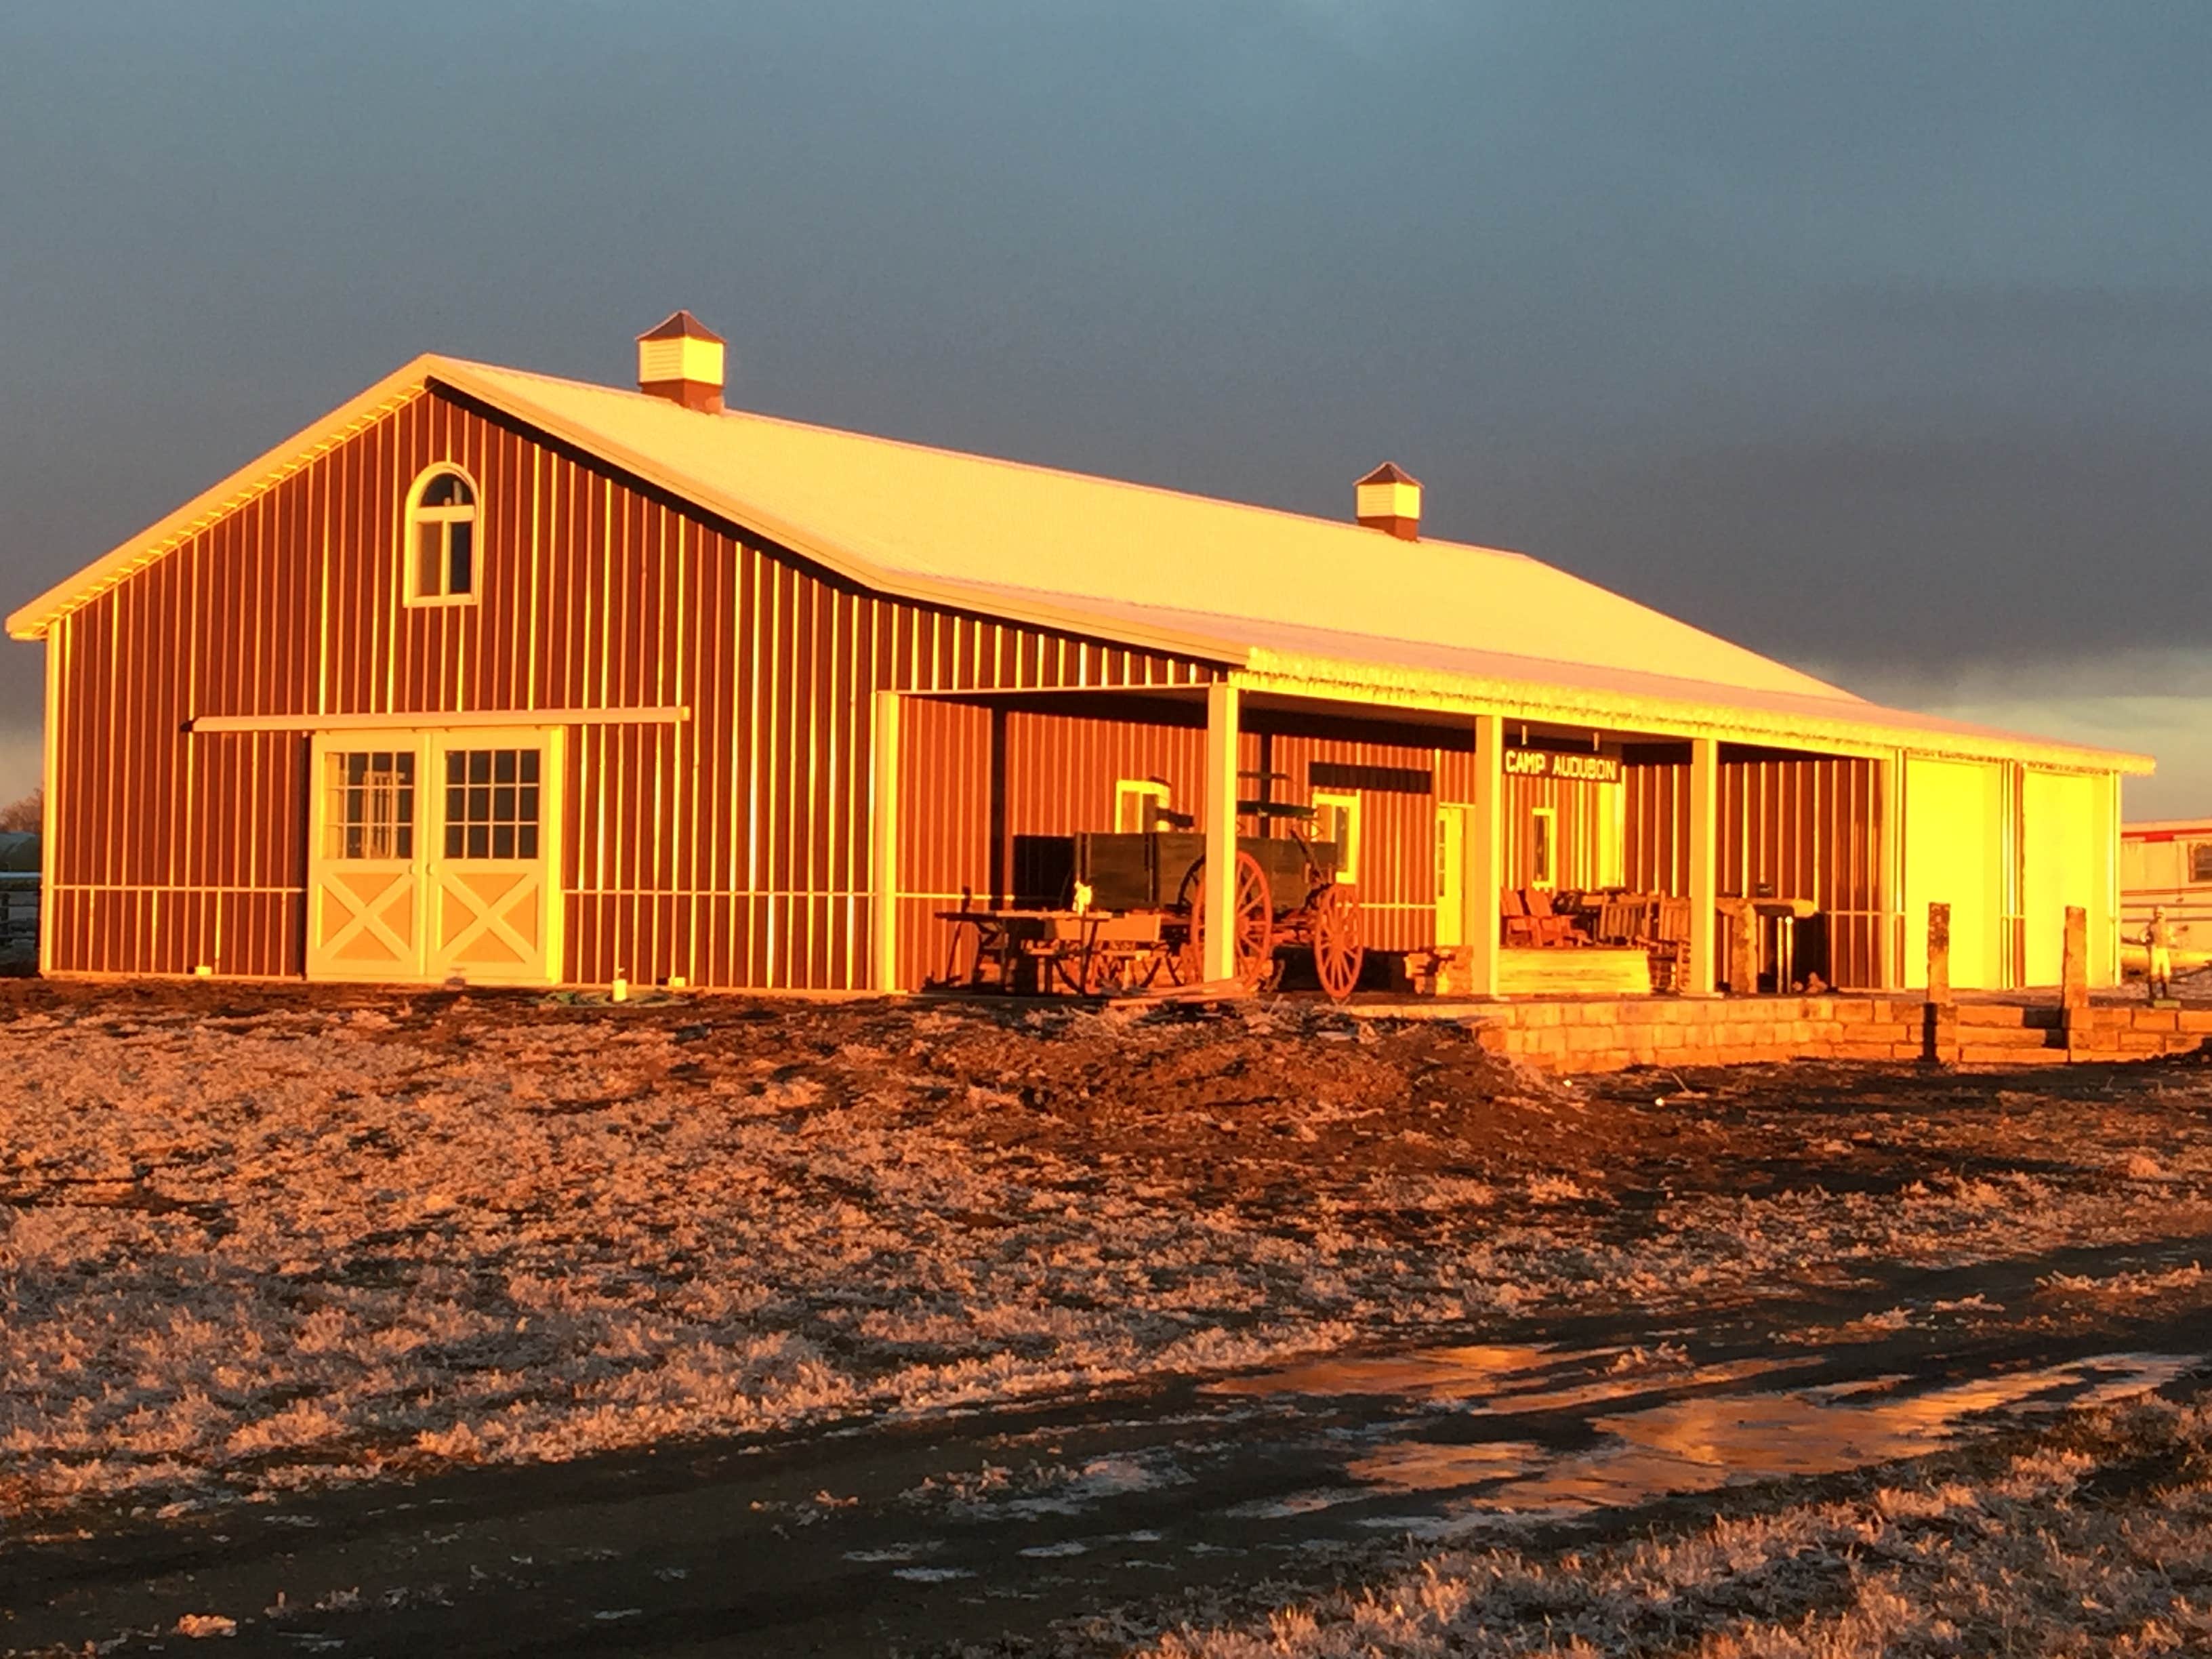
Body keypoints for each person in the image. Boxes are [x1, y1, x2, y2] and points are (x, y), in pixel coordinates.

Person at [2142, 905, 2176, 1002]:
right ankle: (2152, 994)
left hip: (2164, 949)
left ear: (2165, 915)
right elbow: (2142, 935)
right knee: (2154, 970)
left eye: (2161, 914)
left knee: (2166, 971)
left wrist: (2173, 941)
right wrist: (2145, 942)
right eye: (2157, 914)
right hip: (2155, 949)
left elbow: (2172, 937)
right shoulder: (2151, 926)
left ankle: (2166, 994)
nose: (2159, 916)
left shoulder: (2168, 927)